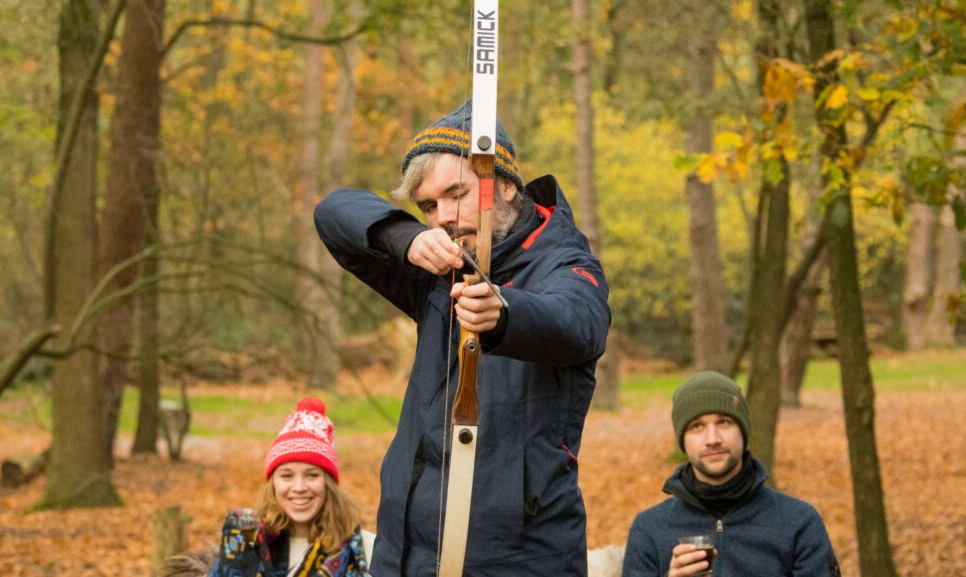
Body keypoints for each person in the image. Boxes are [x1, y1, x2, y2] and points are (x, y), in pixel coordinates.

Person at [314, 100, 611, 576]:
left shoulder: (565, 263)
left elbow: (578, 323)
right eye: (429, 206)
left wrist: (505, 314)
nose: (443, 217)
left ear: (506, 186)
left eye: (456, 194)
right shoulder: (440, 265)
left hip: (520, 560)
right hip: (406, 552)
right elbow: (333, 213)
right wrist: (407, 238)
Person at [621, 372, 841, 577]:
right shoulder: (649, 529)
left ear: (743, 431)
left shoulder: (798, 522)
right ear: (683, 440)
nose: (712, 439)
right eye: (697, 426)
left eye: (724, 422)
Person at [207, 397, 370, 577]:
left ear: (328, 483)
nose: (299, 487)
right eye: (287, 475)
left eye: (312, 475)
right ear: (273, 484)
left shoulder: (366, 549)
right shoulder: (242, 544)